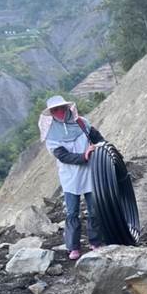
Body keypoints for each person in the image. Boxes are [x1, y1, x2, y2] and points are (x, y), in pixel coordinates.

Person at [39, 94, 105, 260]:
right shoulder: (51, 133)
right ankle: (73, 247)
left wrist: (98, 149)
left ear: (67, 107)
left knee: (94, 209)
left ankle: (96, 242)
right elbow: (63, 156)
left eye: (61, 108)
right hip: (69, 177)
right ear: (51, 113)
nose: (59, 112)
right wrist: (83, 156)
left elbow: (99, 140)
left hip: (90, 173)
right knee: (72, 212)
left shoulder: (82, 123)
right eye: (55, 110)